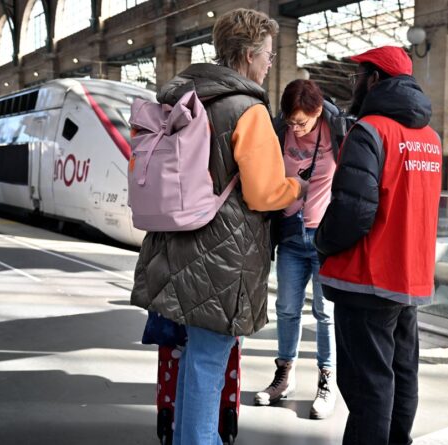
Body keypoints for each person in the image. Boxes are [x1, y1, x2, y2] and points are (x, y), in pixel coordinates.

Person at [130, 8, 305, 445]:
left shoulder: (180, 95)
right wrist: (296, 188)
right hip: (223, 254)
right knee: (209, 361)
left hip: (173, 241)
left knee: (196, 359)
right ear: (247, 55)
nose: (269, 63)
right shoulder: (247, 109)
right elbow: (264, 193)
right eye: (267, 54)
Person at [314, 46, 443, 445]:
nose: (354, 83)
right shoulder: (430, 138)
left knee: (368, 388)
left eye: (359, 75)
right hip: (410, 280)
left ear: (374, 80)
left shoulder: (370, 130)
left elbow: (354, 210)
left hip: (368, 278)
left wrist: (322, 240)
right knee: (402, 376)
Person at [254, 79, 352, 419]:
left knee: (324, 313)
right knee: (287, 308)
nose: (296, 128)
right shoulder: (280, 129)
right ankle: (284, 375)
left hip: (323, 236)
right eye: (291, 121)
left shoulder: (336, 128)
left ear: (318, 111)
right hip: (291, 234)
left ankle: (327, 380)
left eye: (302, 122)